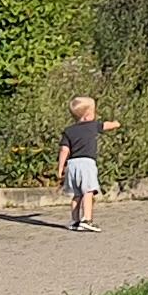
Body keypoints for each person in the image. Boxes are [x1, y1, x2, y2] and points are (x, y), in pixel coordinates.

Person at [57, 95, 106, 231]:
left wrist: (61, 167)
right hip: (86, 163)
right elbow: (106, 125)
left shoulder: (69, 131)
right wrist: (117, 124)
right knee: (88, 192)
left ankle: (74, 220)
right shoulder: (92, 125)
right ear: (87, 115)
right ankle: (87, 219)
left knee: (77, 194)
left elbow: (63, 150)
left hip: (72, 164)